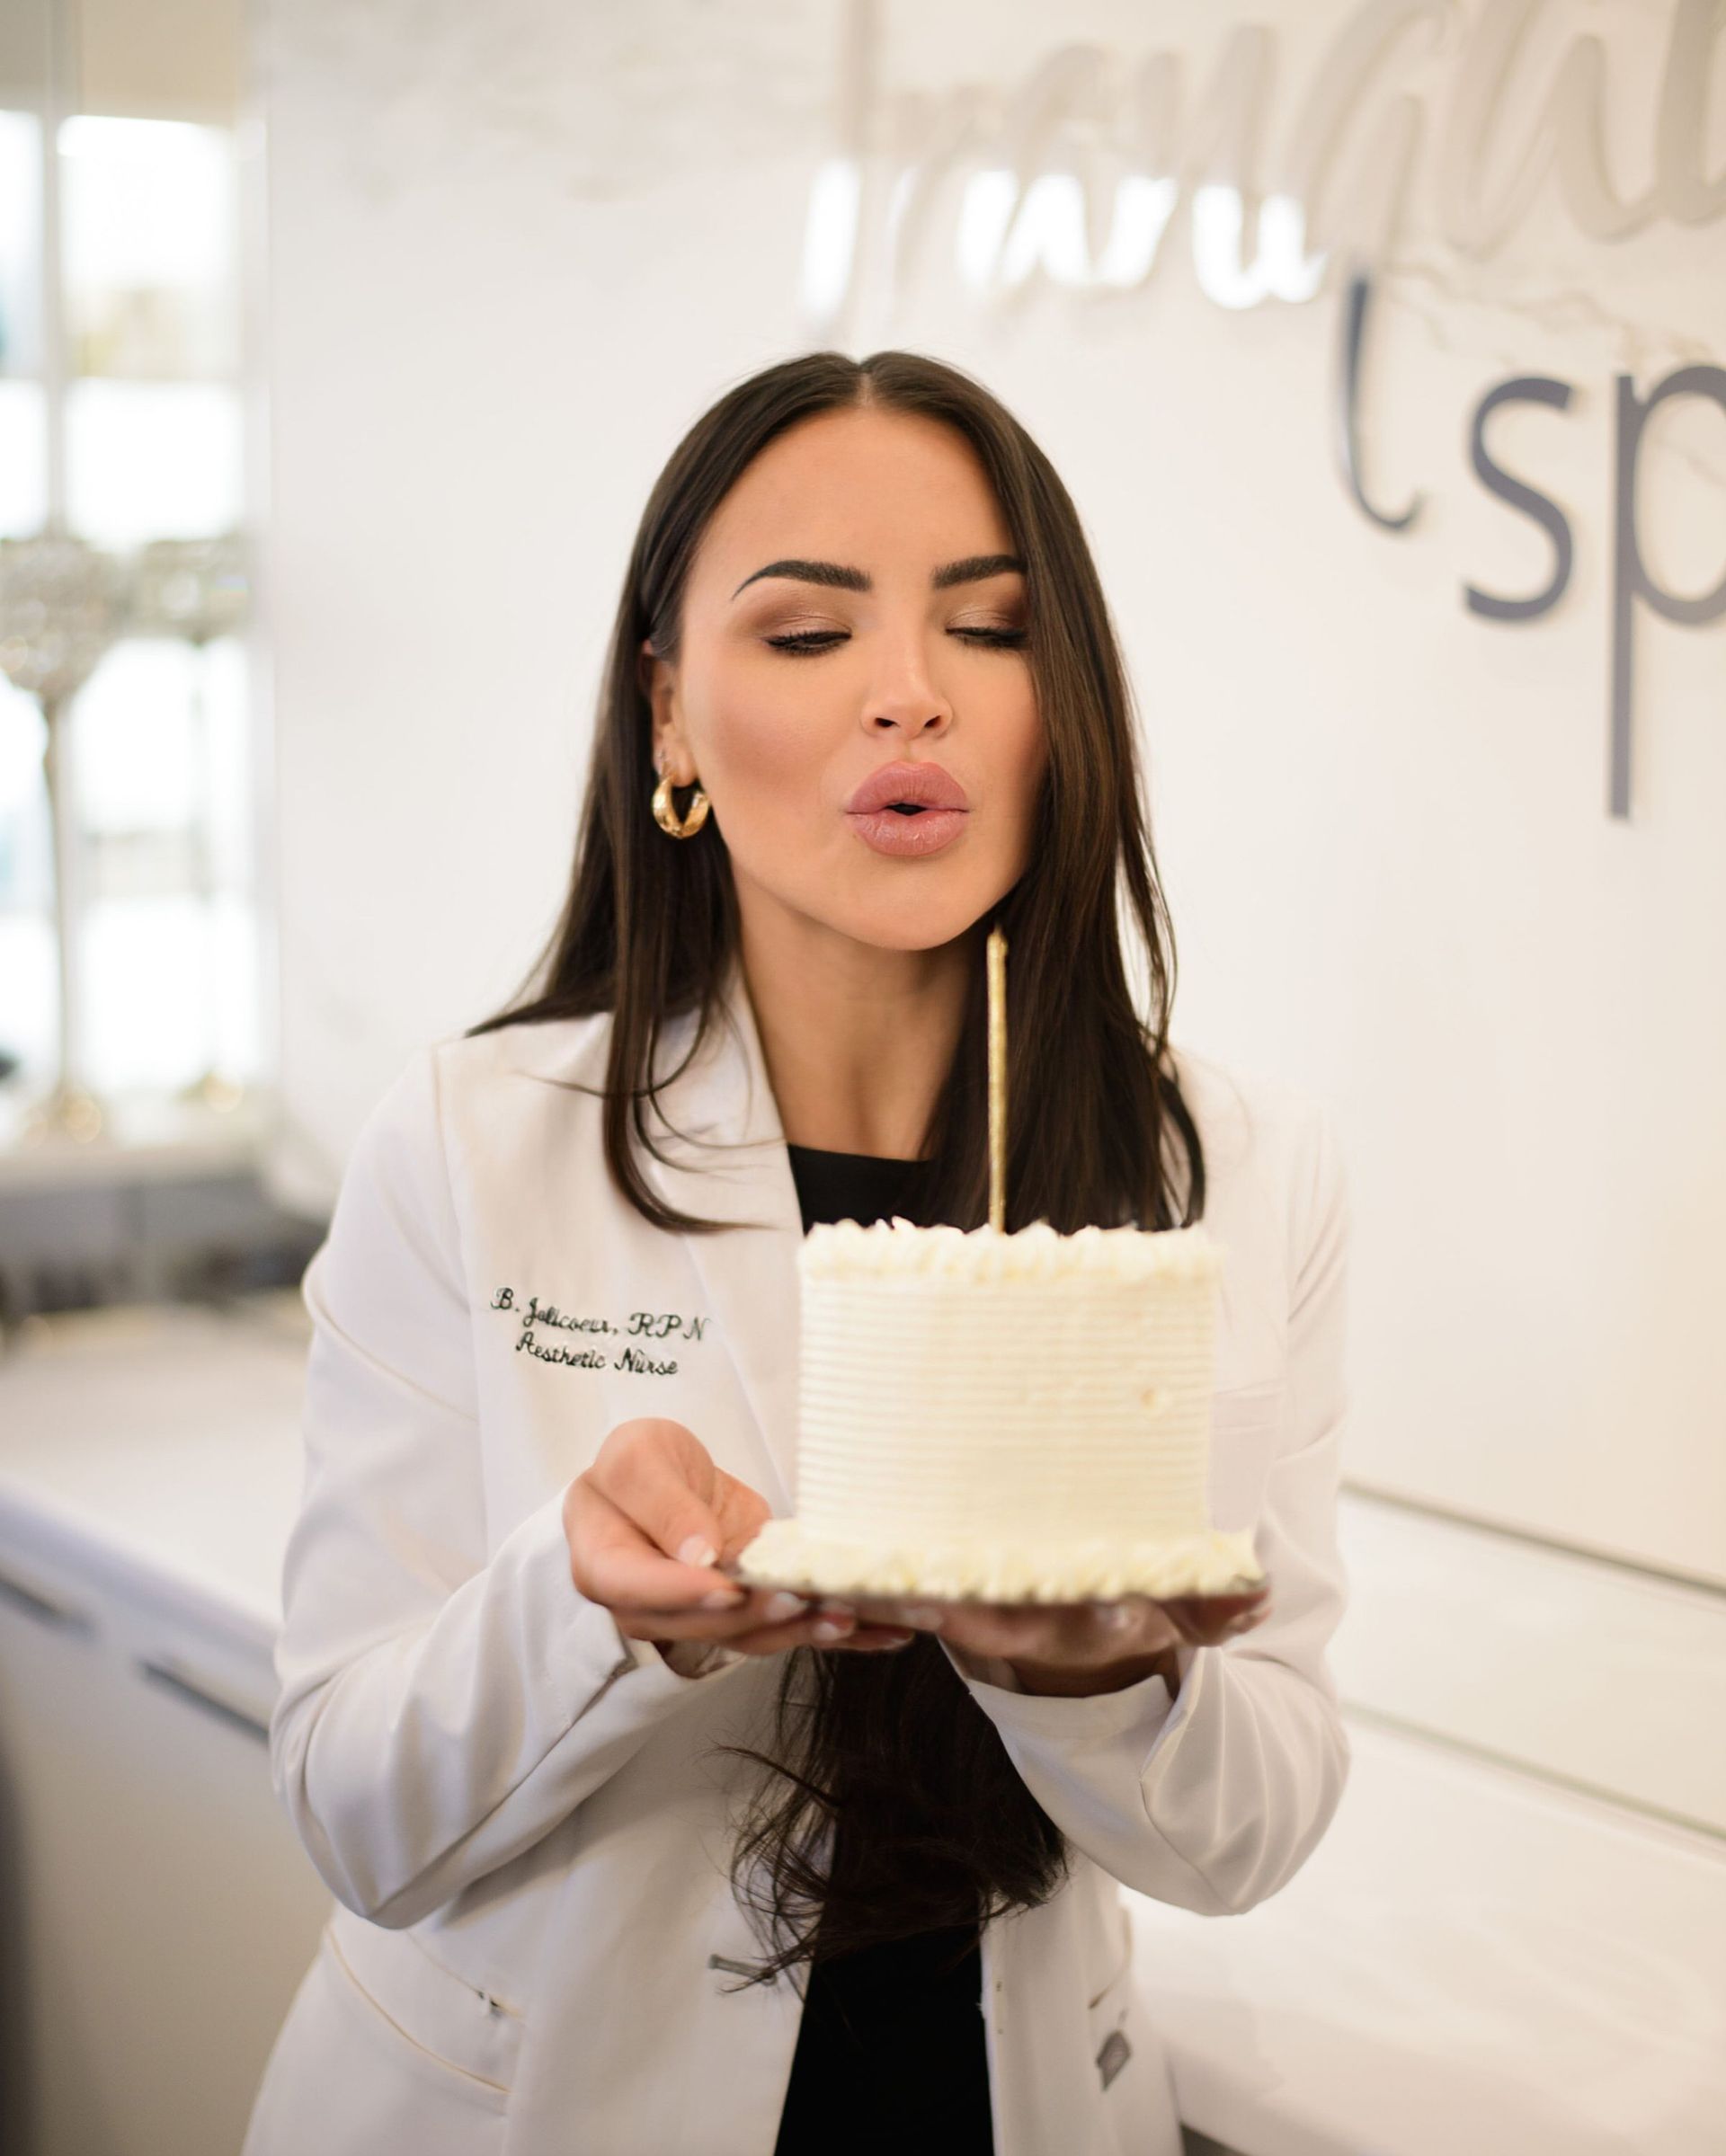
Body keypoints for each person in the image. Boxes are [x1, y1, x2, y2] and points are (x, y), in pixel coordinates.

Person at [242, 349, 1352, 2156]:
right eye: (810, 638)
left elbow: (1253, 1832)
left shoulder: (1239, 1173)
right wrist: (593, 1608)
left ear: (1062, 707)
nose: (908, 698)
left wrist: (1088, 1679)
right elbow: (356, 1821)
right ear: (671, 719)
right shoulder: (471, 1142)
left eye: (989, 632)